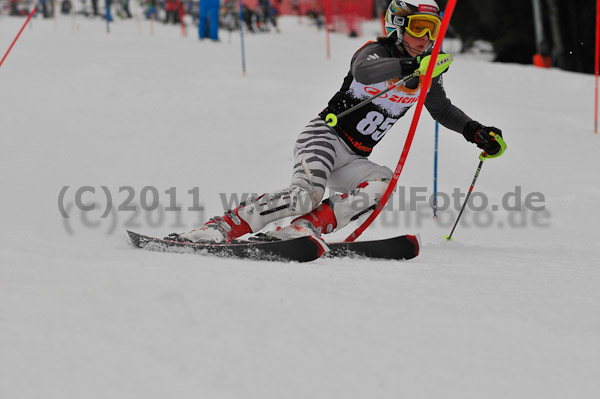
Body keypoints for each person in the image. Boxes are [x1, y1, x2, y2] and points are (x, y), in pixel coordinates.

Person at [167, 0, 506, 248]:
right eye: (418, 27)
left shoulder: (427, 70)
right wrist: (410, 67)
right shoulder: (378, 52)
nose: (425, 37)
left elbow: (442, 110)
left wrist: (476, 132)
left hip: (355, 158)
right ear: (398, 24)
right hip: (325, 138)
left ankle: (304, 230)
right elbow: (363, 72)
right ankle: (221, 227)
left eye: (432, 30)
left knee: (383, 182)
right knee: (306, 195)